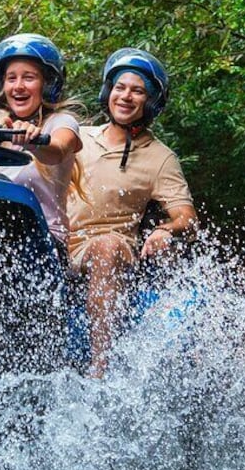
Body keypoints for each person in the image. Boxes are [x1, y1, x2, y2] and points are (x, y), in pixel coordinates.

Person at [67, 48, 198, 377]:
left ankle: (100, 366)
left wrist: (166, 230)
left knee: (107, 246)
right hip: (58, 241)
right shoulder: (77, 136)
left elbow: (187, 216)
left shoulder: (160, 158)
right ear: (107, 92)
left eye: (137, 90)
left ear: (150, 101)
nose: (125, 96)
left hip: (113, 248)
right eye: (120, 87)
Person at [0, 33, 84, 250]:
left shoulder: (62, 123)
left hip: (45, 244)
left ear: (48, 85)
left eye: (28, 77)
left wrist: (34, 142)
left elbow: (57, 150)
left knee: (2, 185)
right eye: (11, 78)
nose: (18, 86)